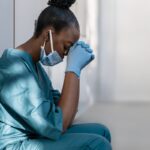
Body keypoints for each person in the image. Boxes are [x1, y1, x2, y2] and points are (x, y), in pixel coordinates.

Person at [0, 0, 112, 149]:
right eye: (66, 47)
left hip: (35, 134)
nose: (66, 55)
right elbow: (57, 124)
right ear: (48, 35)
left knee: (101, 131)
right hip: (16, 144)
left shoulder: (36, 66)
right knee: (98, 144)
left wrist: (76, 70)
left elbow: (65, 112)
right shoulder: (13, 68)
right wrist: (73, 69)